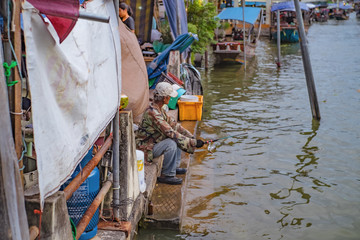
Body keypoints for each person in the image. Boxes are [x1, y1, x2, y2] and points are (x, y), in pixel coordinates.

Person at [135, 82, 205, 185]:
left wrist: (191, 136)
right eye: (169, 97)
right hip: (146, 148)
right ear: (165, 98)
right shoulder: (153, 113)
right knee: (171, 142)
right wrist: (192, 142)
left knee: (176, 138)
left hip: (154, 143)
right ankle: (167, 175)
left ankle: (174, 167)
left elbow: (174, 125)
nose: (170, 99)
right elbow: (170, 132)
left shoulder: (159, 110)